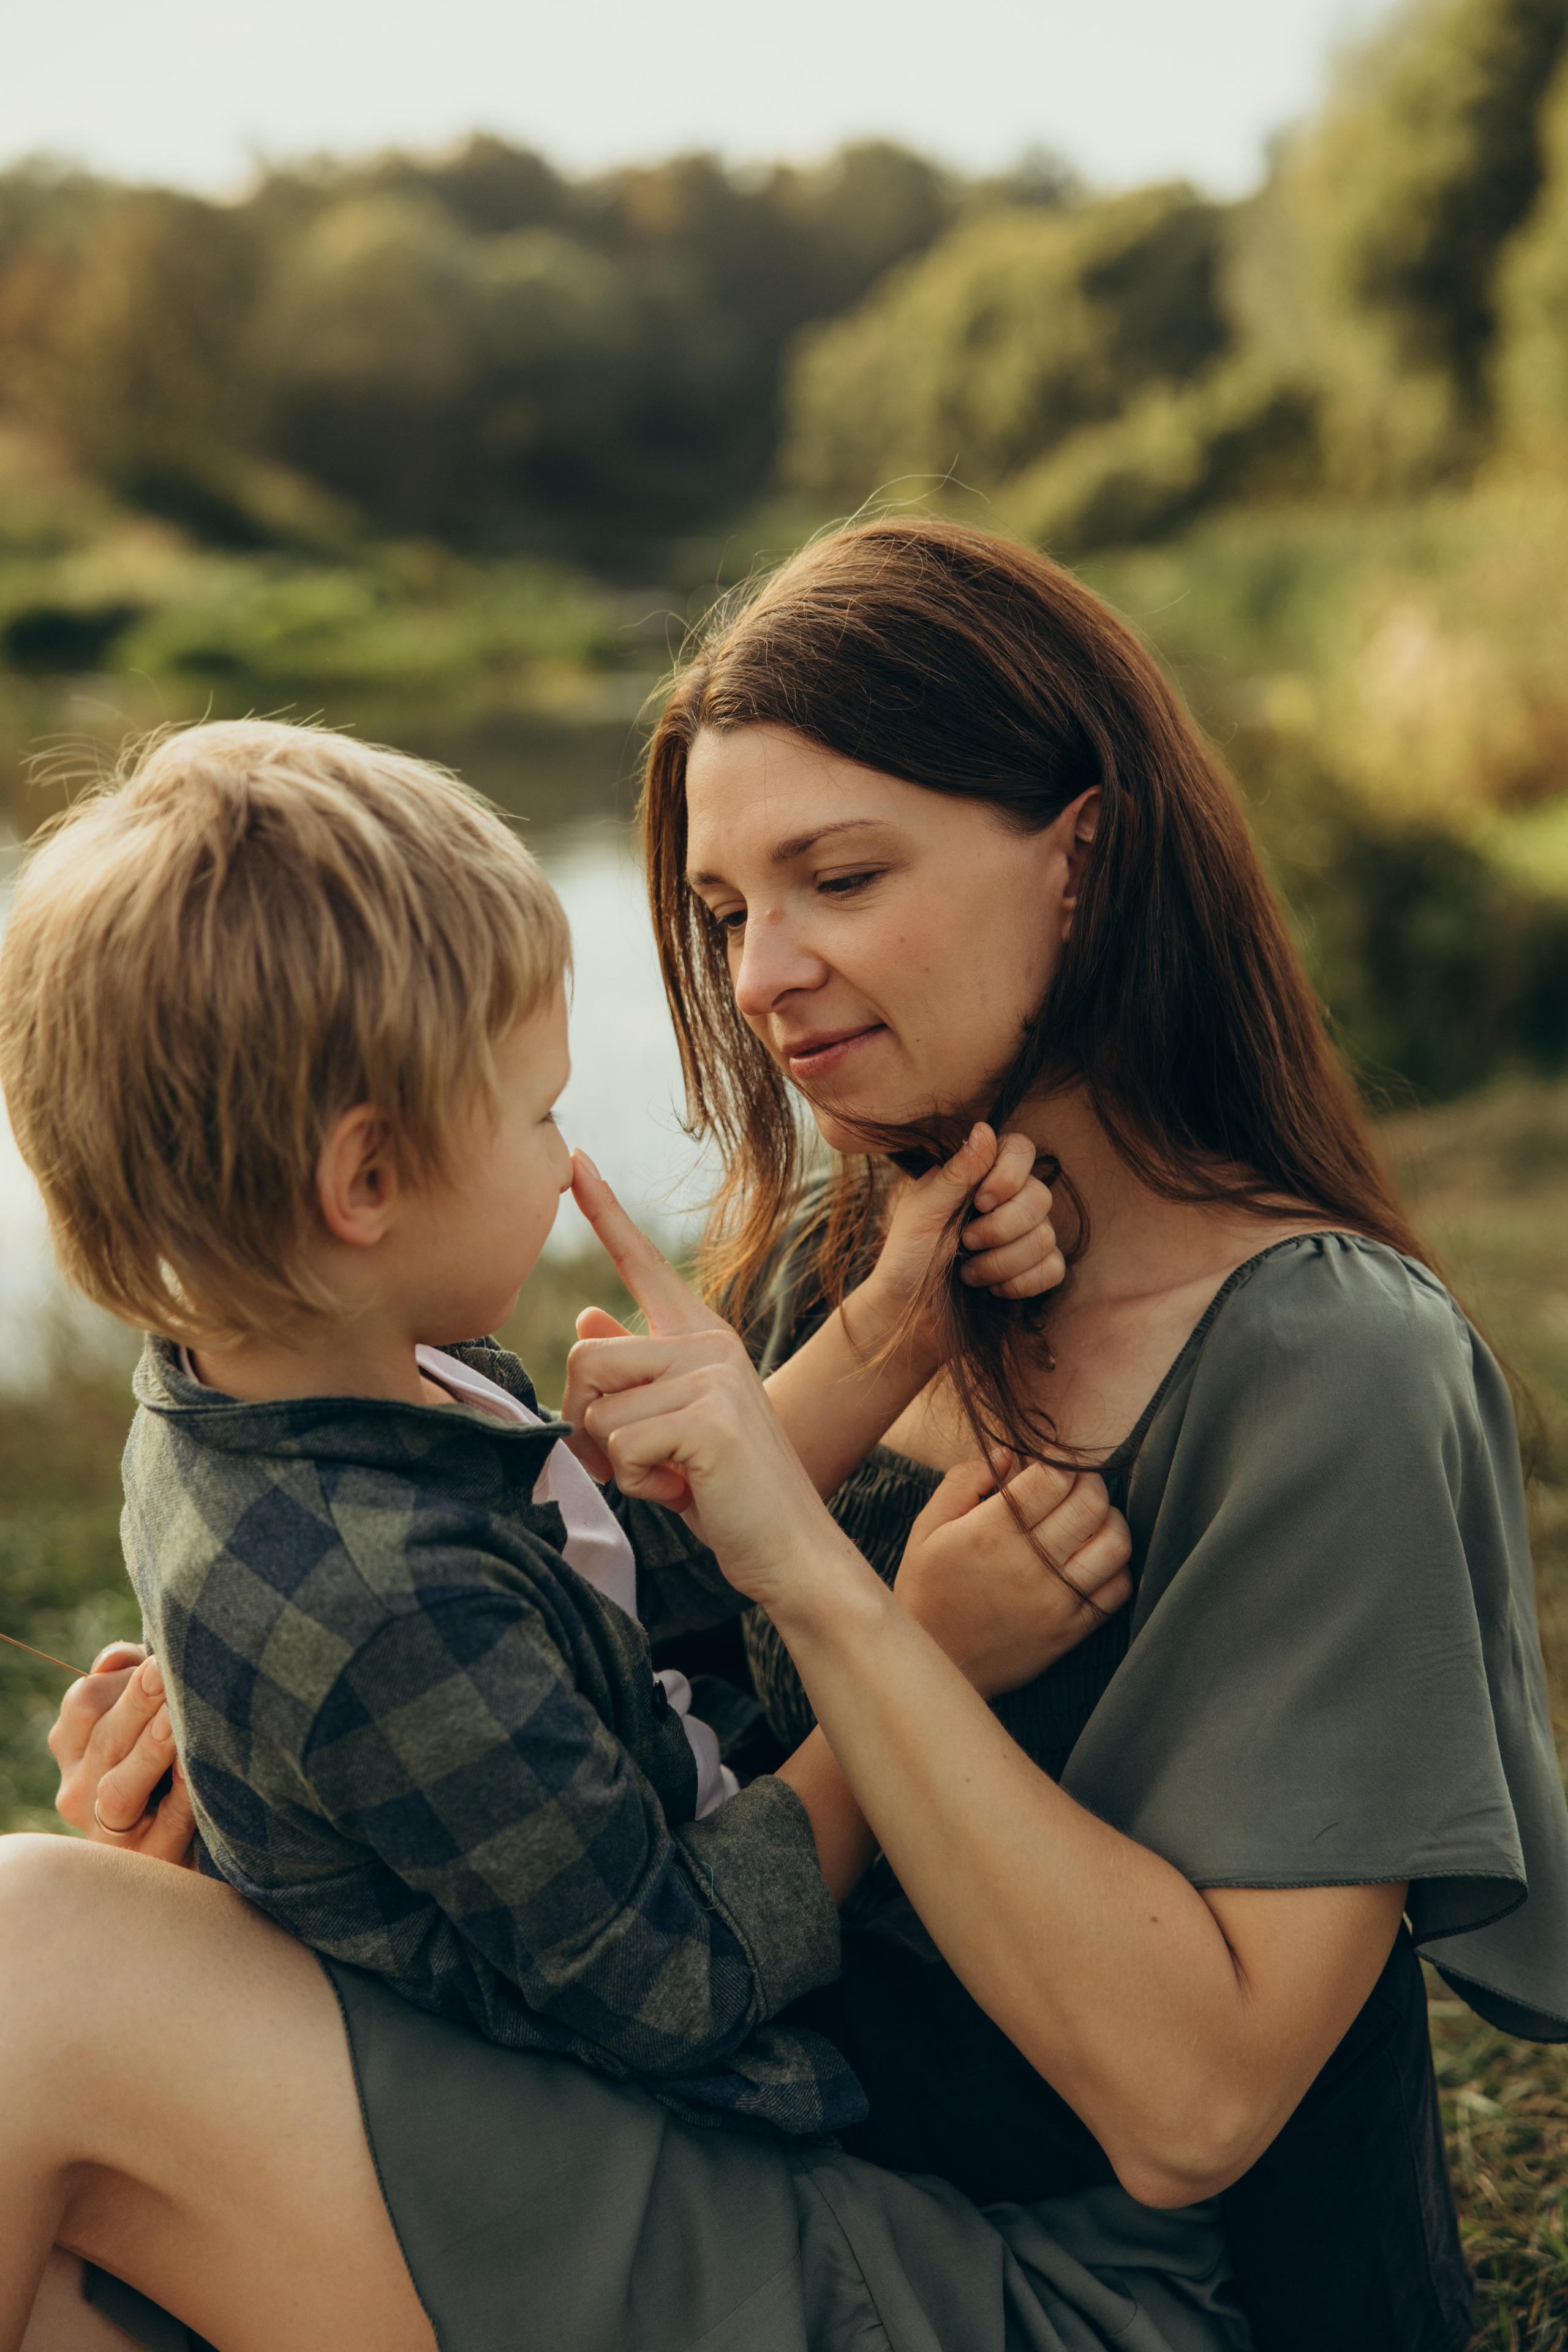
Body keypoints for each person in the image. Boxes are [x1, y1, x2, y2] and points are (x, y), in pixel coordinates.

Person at [25, 518, 1568, 2351]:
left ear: (1087, 860)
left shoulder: (1327, 1369)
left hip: (1110, 2277)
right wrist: (281, 1797)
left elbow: (1199, 2110)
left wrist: (839, 1586)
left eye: (839, 877)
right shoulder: (848, 1254)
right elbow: (613, 1751)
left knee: (40, 1977)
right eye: (727, 914)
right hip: (782, 2136)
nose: (760, 981)